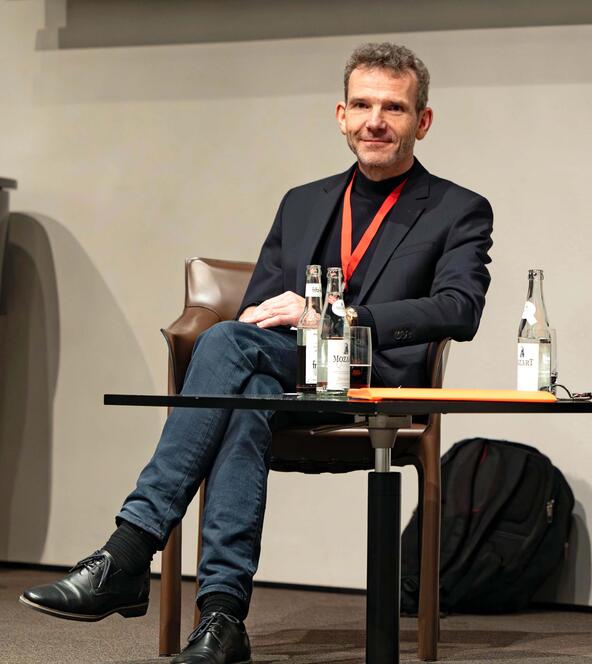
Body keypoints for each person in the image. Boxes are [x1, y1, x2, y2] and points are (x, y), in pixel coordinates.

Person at [20, 42, 493, 664]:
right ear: (341, 116)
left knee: (232, 363)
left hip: (372, 382)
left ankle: (132, 549)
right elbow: (265, 310)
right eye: (362, 105)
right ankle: (221, 617)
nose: (376, 120)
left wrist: (340, 315)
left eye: (394, 108)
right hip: (290, 376)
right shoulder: (304, 202)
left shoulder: (458, 208)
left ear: (421, 121)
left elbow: (460, 310)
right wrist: (261, 323)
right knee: (245, 388)